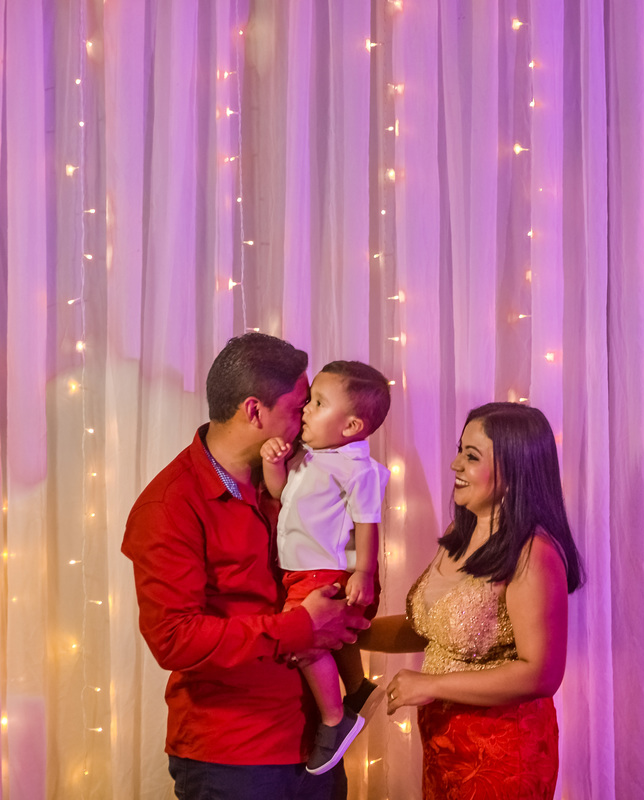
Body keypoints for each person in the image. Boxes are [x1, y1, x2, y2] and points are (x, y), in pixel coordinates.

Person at [122, 332, 369, 800]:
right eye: (299, 406)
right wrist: (300, 627)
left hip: (317, 745)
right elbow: (173, 639)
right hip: (233, 755)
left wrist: (351, 596)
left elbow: (341, 564)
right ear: (254, 411)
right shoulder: (169, 506)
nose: (308, 417)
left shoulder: (300, 476)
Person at [358, 402, 584, 799]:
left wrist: (432, 685)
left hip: (502, 754)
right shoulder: (458, 534)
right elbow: (431, 630)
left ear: (514, 471)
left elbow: (542, 674)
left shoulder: (534, 552)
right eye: (460, 450)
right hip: (444, 747)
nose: (455, 465)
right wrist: (350, 633)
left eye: (472, 456)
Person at [260, 360, 392, 775]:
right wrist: (273, 463)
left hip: (326, 573)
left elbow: (368, 524)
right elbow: (280, 494)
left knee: (301, 640)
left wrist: (364, 573)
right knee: (321, 638)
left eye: (318, 403)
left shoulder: (356, 470)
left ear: (351, 426)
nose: (305, 410)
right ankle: (357, 690)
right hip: (299, 572)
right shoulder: (311, 457)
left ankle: (336, 720)